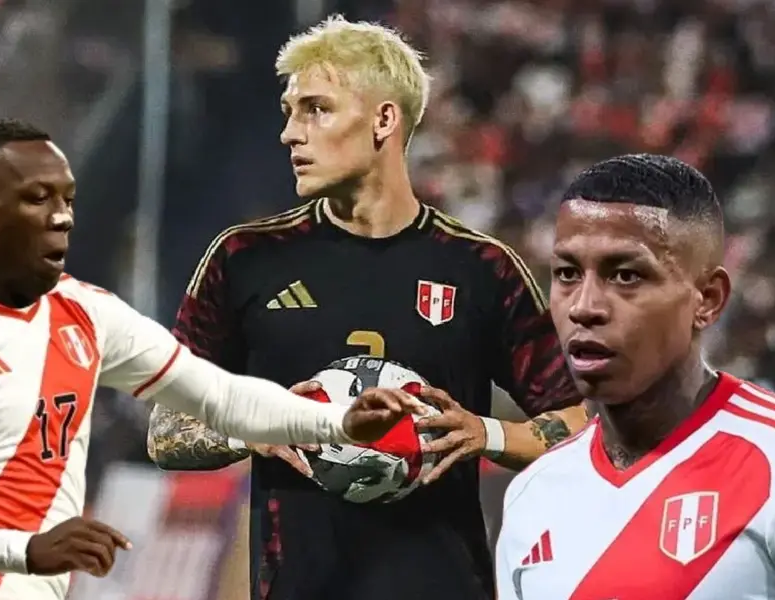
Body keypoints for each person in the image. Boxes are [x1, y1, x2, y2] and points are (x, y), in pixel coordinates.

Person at [0, 119, 426, 600]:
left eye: (67, 199)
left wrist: (336, 421)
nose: (62, 217)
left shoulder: (85, 313)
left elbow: (216, 395)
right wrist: (22, 548)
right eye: (36, 198)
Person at [146, 16, 586, 600]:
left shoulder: (482, 267)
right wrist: (261, 426)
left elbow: (584, 426)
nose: (290, 134)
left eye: (316, 109)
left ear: (384, 120)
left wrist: (488, 434)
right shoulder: (245, 258)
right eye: (288, 111)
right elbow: (166, 431)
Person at [495, 154, 775, 599]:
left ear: (707, 299)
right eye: (567, 274)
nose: (584, 306)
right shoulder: (533, 495)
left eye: (627, 275)